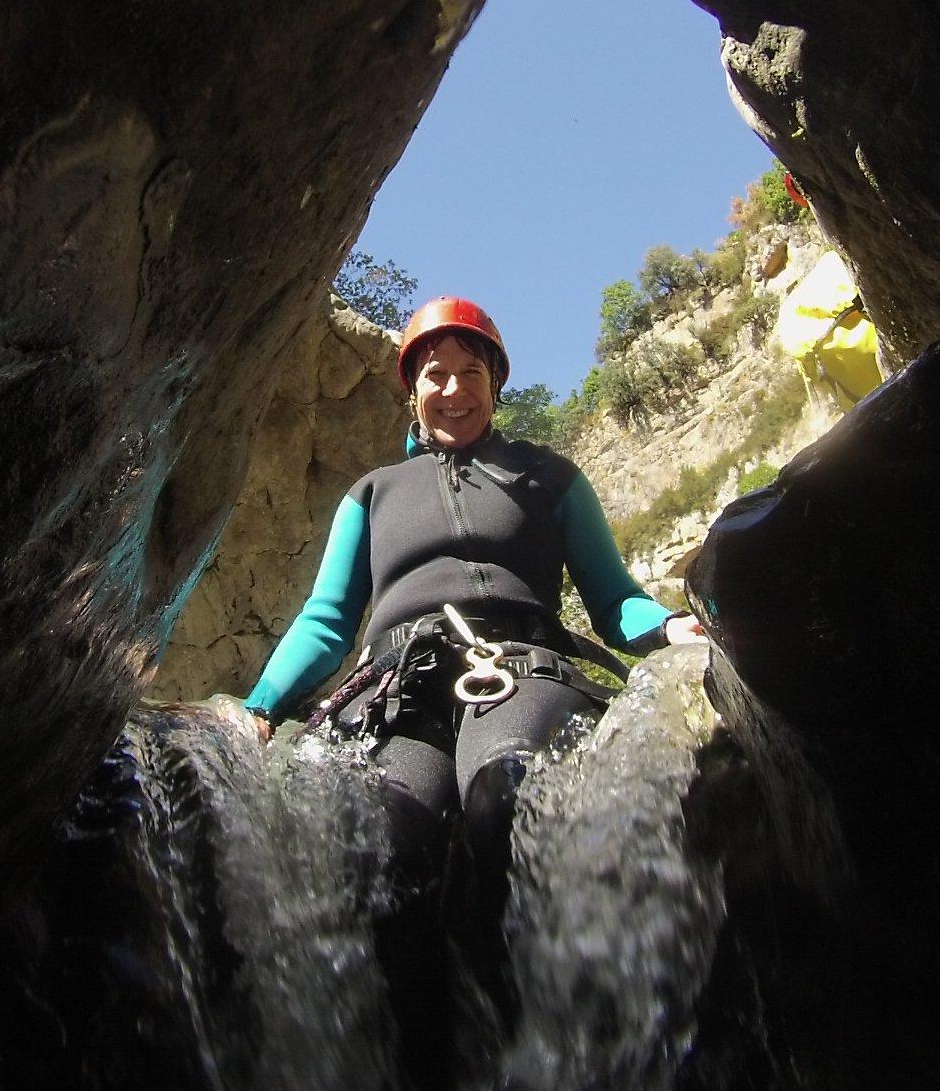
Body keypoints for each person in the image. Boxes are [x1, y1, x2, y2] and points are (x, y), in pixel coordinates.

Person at [240, 296, 703, 1046]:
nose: (453, 389)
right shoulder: (371, 495)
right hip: (398, 690)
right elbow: (327, 620)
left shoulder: (548, 478)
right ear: (412, 391)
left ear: (496, 385)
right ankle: (427, 1046)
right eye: (435, 375)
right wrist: (261, 704)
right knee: (381, 839)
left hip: (522, 668)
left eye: (471, 372)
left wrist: (668, 628)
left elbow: (615, 599)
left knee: (505, 794)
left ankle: (537, 1037)